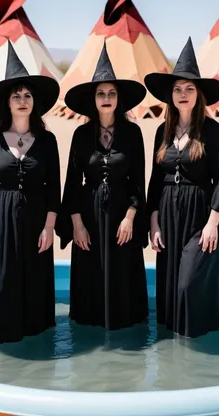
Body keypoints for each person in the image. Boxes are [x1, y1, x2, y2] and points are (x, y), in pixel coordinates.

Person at [144, 36, 219, 339]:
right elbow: (154, 180)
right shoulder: (161, 133)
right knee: (169, 289)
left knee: (187, 284)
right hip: (168, 217)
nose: (183, 93)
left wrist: (213, 223)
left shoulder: (212, 131)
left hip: (200, 218)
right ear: (170, 96)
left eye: (189, 88)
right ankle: (174, 352)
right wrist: (153, 222)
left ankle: (199, 346)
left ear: (198, 94)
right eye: (177, 89)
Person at [0, 41, 61, 344]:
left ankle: (35, 346)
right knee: (0, 285)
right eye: (16, 96)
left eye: (27, 95)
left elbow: (54, 187)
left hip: (36, 220)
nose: (22, 100)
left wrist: (49, 228)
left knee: (33, 281)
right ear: (7, 103)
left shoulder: (47, 141)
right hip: (2, 219)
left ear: (34, 102)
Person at [56, 42, 149, 330]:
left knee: (123, 272)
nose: (106, 98)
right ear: (93, 100)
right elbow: (72, 184)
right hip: (89, 215)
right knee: (90, 275)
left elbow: (138, 181)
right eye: (101, 94)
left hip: (123, 215)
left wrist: (130, 218)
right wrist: (77, 224)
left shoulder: (133, 133)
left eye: (111, 93)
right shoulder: (81, 135)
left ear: (119, 99)